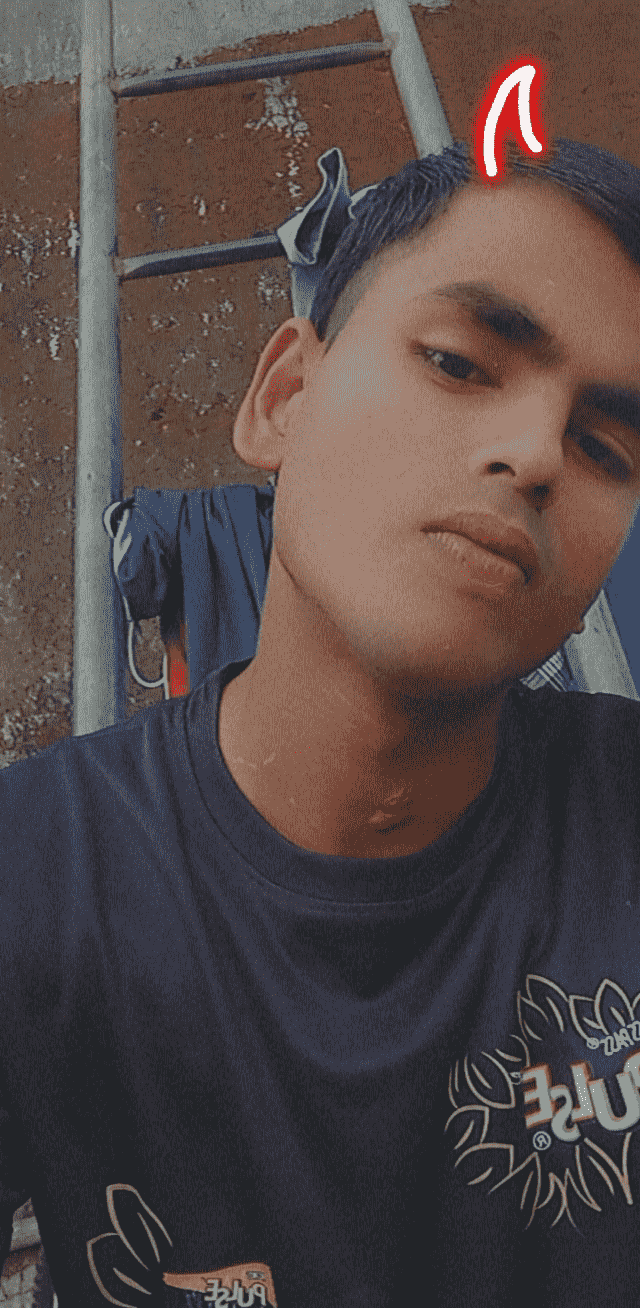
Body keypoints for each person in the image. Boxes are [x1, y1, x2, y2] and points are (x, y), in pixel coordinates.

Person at [2, 135, 640, 1308]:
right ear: (284, 399)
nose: (537, 454)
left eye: (604, 444)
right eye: (457, 361)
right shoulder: (33, 876)